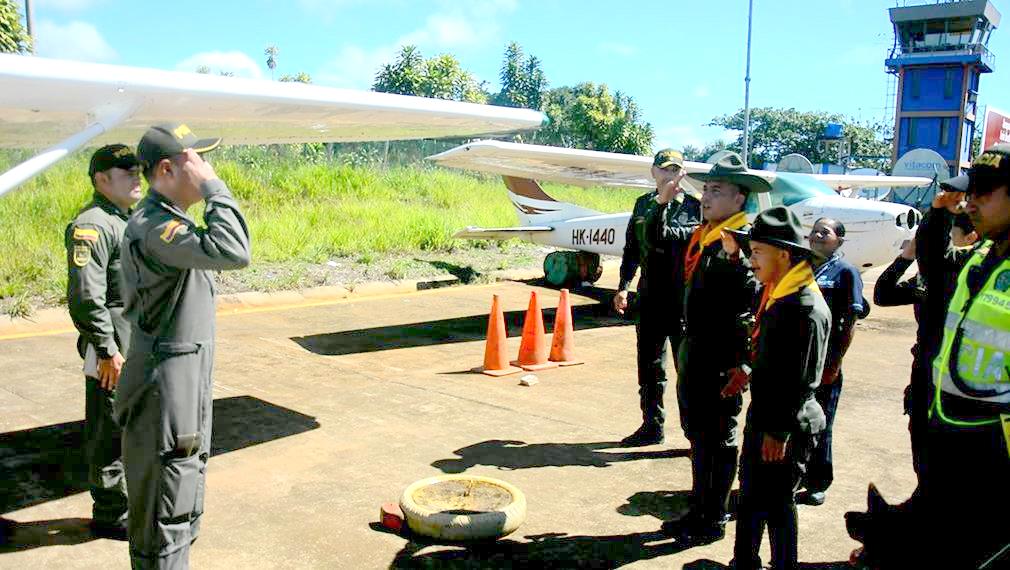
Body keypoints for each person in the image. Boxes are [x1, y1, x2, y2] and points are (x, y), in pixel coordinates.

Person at [115, 123, 250, 569]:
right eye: (198, 161)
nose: (208, 169)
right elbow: (233, 249)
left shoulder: (171, 222)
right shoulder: (157, 227)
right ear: (169, 169)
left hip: (182, 380)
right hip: (164, 387)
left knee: (182, 496)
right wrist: (215, 188)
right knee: (164, 510)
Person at [657, 152, 764, 544]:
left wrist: (747, 364)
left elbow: (758, 306)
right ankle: (700, 510)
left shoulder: (747, 241)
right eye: (706, 190)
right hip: (696, 350)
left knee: (718, 438)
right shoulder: (707, 235)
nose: (706, 197)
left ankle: (713, 518)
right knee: (699, 436)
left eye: (717, 191)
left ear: (739, 199)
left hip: (723, 359)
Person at [727, 206, 829, 570]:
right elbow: (773, 357)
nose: (750, 260)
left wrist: (778, 431)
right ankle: (744, 561)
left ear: (783, 255)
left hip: (786, 423)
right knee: (752, 497)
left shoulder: (803, 306)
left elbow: (799, 378)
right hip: (768, 415)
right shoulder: (778, 292)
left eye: (757, 253)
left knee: (777, 504)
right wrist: (748, 368)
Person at [66, 144, 143, 539]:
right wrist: (107, 349)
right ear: (101, 179)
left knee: (132, 425)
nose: (136, 177)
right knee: (109, 427)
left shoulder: (126, 219)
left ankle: (131, 503)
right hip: (111, 343)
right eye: (126, 171)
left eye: (137, 170)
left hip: (133, 338)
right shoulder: (92, 225)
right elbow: (85, 296)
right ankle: (111, 512)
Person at [615, 149, 700, 446]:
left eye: (675, 170)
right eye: (664, 169)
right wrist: (624, 285)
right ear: (654, 172)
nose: (669, 175)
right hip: (650, 296)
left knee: (688, 372)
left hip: (683, 302)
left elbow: (674, 240)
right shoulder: (642, 205)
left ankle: (694, 436)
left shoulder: (695, 208)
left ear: (683, 174)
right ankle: (652, 425)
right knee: (649, 367)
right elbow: (632, 249)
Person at [796, 218, 863, 506]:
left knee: (822, 423)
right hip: (798, 359)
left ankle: (818, 482)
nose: (818, 236)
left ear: (839, 241)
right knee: (797, 421)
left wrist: (834, 364)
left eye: (826, 232)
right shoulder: (801, 267)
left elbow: (850, 321)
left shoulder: (845, 272)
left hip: (825, 362)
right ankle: (794, 475)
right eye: (814, 231)